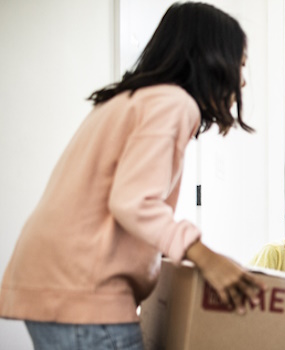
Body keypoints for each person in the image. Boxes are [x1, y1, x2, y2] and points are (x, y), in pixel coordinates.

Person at [0, 3, 263, 349]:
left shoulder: (128, 100)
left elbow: (120, 202)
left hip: (57, 282)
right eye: (240, 64)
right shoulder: (173, 103)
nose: (242, 79)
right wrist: (202, 255)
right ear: (212, 57)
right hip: (86, 293)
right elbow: (132, 201)